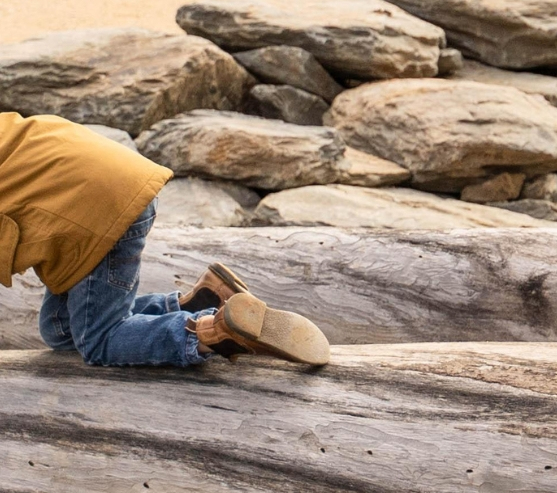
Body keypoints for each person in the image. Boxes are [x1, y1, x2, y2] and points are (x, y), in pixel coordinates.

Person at [6, 112, 331, 368]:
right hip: (114, 179)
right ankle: (200, 300)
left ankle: (213, 329)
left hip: (96, 209)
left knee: (100, 340)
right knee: (61, 328)